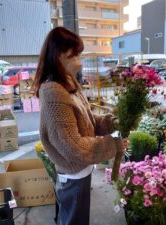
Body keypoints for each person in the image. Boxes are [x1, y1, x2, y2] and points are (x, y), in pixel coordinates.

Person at [33, 27, 127, 225]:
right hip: (73, 171)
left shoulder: (67, 82)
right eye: (74, 53)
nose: (79, 58)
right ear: (58, 55)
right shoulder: (53, 92)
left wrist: (110, 123)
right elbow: (72, 145)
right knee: (74, 220)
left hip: (81, 169)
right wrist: (113, 145)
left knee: (76, 217)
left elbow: (86, 121)